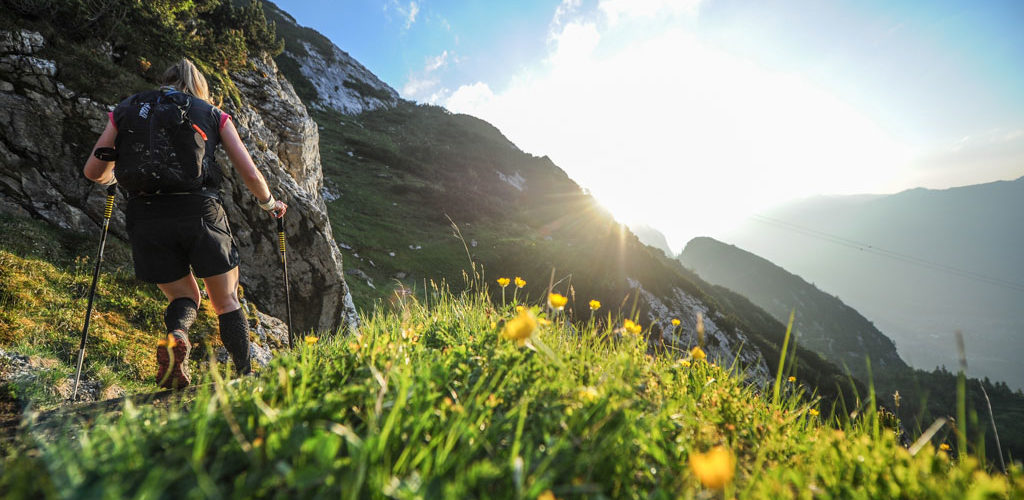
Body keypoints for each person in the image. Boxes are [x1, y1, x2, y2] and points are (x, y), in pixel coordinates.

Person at [83, 58, 287, 388]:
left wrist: (112, 180)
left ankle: (177, 334)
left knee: (185, 297)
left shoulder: (128, 108)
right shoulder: (211, 113)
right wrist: (270, 204)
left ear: (166, 79)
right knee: (226, 300)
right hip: (199, 213)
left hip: (146, 216)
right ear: (198, 88)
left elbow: (94, 171)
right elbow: (249, 172)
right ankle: (247, 377)